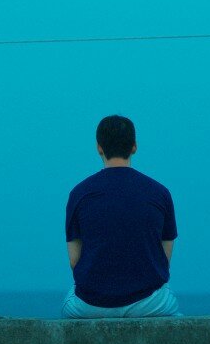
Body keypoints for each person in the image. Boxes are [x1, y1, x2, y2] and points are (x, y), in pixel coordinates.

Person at [61, 115, 182, 318]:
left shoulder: (79, 194)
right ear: (134, 147)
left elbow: (74, 261)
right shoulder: (159, 193)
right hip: (148, 302)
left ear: (99, 148)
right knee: (175, 317)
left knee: (67, 306)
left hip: (91, 304)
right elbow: (164, 259)